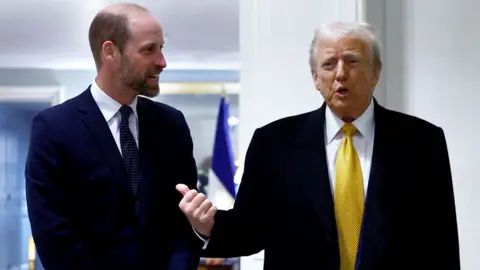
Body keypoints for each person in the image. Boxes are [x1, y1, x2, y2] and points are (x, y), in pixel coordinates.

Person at [176, 22, 460, 270]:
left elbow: (441, 242)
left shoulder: (422, 141)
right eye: (328, 64)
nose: (340, 74)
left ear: (375, 72)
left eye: (352, 61)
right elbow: (250, 231)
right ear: (315, 78)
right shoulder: (274, 142)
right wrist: (207, 226)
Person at [25, 3, 204, 270]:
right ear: (110, 52)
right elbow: (54, 236)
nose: (162, 62)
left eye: (161, 48)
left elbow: (184, 222)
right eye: (148, 49)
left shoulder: (172, 125)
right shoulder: (53, 128)